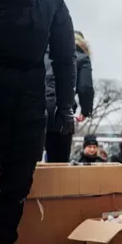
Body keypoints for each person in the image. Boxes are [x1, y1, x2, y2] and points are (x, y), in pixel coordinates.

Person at [0, 0, 76, 244]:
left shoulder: (50, 0)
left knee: (12, 188)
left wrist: (64, 108)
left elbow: (64, 57)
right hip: (24, 101)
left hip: (2, 96)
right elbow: (64, 59)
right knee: (14, 190)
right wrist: (64, 107)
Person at [44, 30, 94, 162]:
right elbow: (85, 87)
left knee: (27, 164)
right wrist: (86, 110)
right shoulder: (82, 58)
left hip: (33, 109)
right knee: (58, 164)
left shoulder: (42, 53)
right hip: (61, 113)